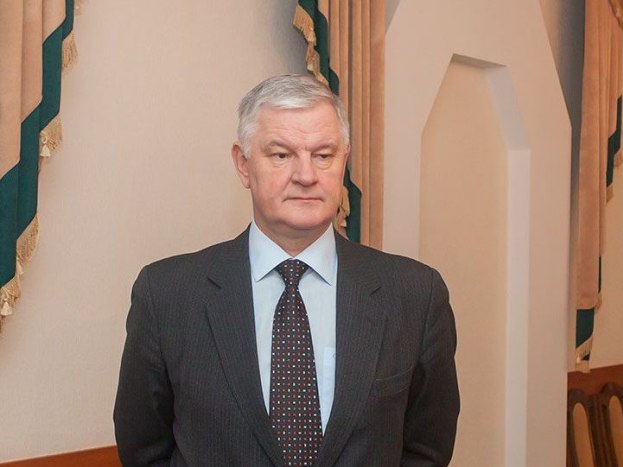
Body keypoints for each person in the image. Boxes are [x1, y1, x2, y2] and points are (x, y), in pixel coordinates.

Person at [114, 74, 459, 467]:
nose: (306, 176)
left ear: (343, 160)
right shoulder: (167, 296)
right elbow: (144, 451)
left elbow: (426, 450)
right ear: (243, 165)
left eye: (323, 155)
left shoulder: (415, 295)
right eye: (281, 155)